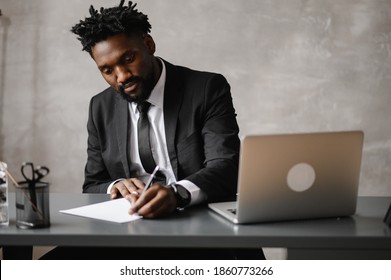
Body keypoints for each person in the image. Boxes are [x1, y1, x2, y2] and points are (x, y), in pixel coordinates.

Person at [42, 0, 265, 260]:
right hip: (128, 235)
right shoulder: (100, 106)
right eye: (107, 70)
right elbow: (92, 184)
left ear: (148, 45)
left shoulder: (206, 89)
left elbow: (226, 166)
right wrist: (116, 185)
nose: (122, 76)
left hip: (203, 234)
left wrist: (177, 194)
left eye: (128, 59)